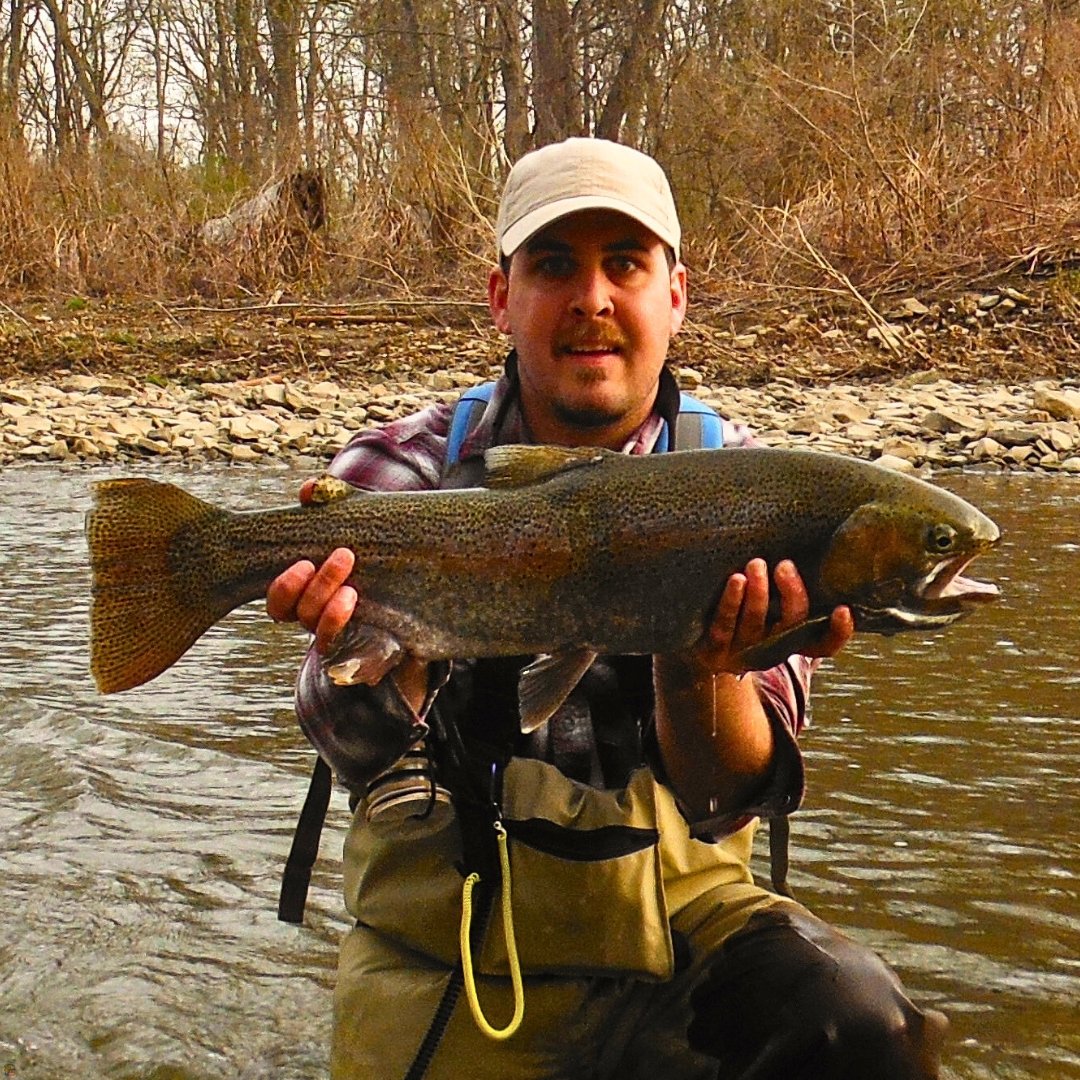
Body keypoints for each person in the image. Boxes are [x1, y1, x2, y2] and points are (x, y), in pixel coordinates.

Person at [266, 137, 949, 1080]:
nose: (593, 297)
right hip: (453, 938)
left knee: (862, 1026)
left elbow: (729, 798)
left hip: (679, 932)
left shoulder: (766, 493)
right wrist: (379, 656)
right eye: (555, 265)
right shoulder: (399, 479)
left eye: (625, 264)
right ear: (502, 297)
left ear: (675, 294)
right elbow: (349, 747)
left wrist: (701, 662)